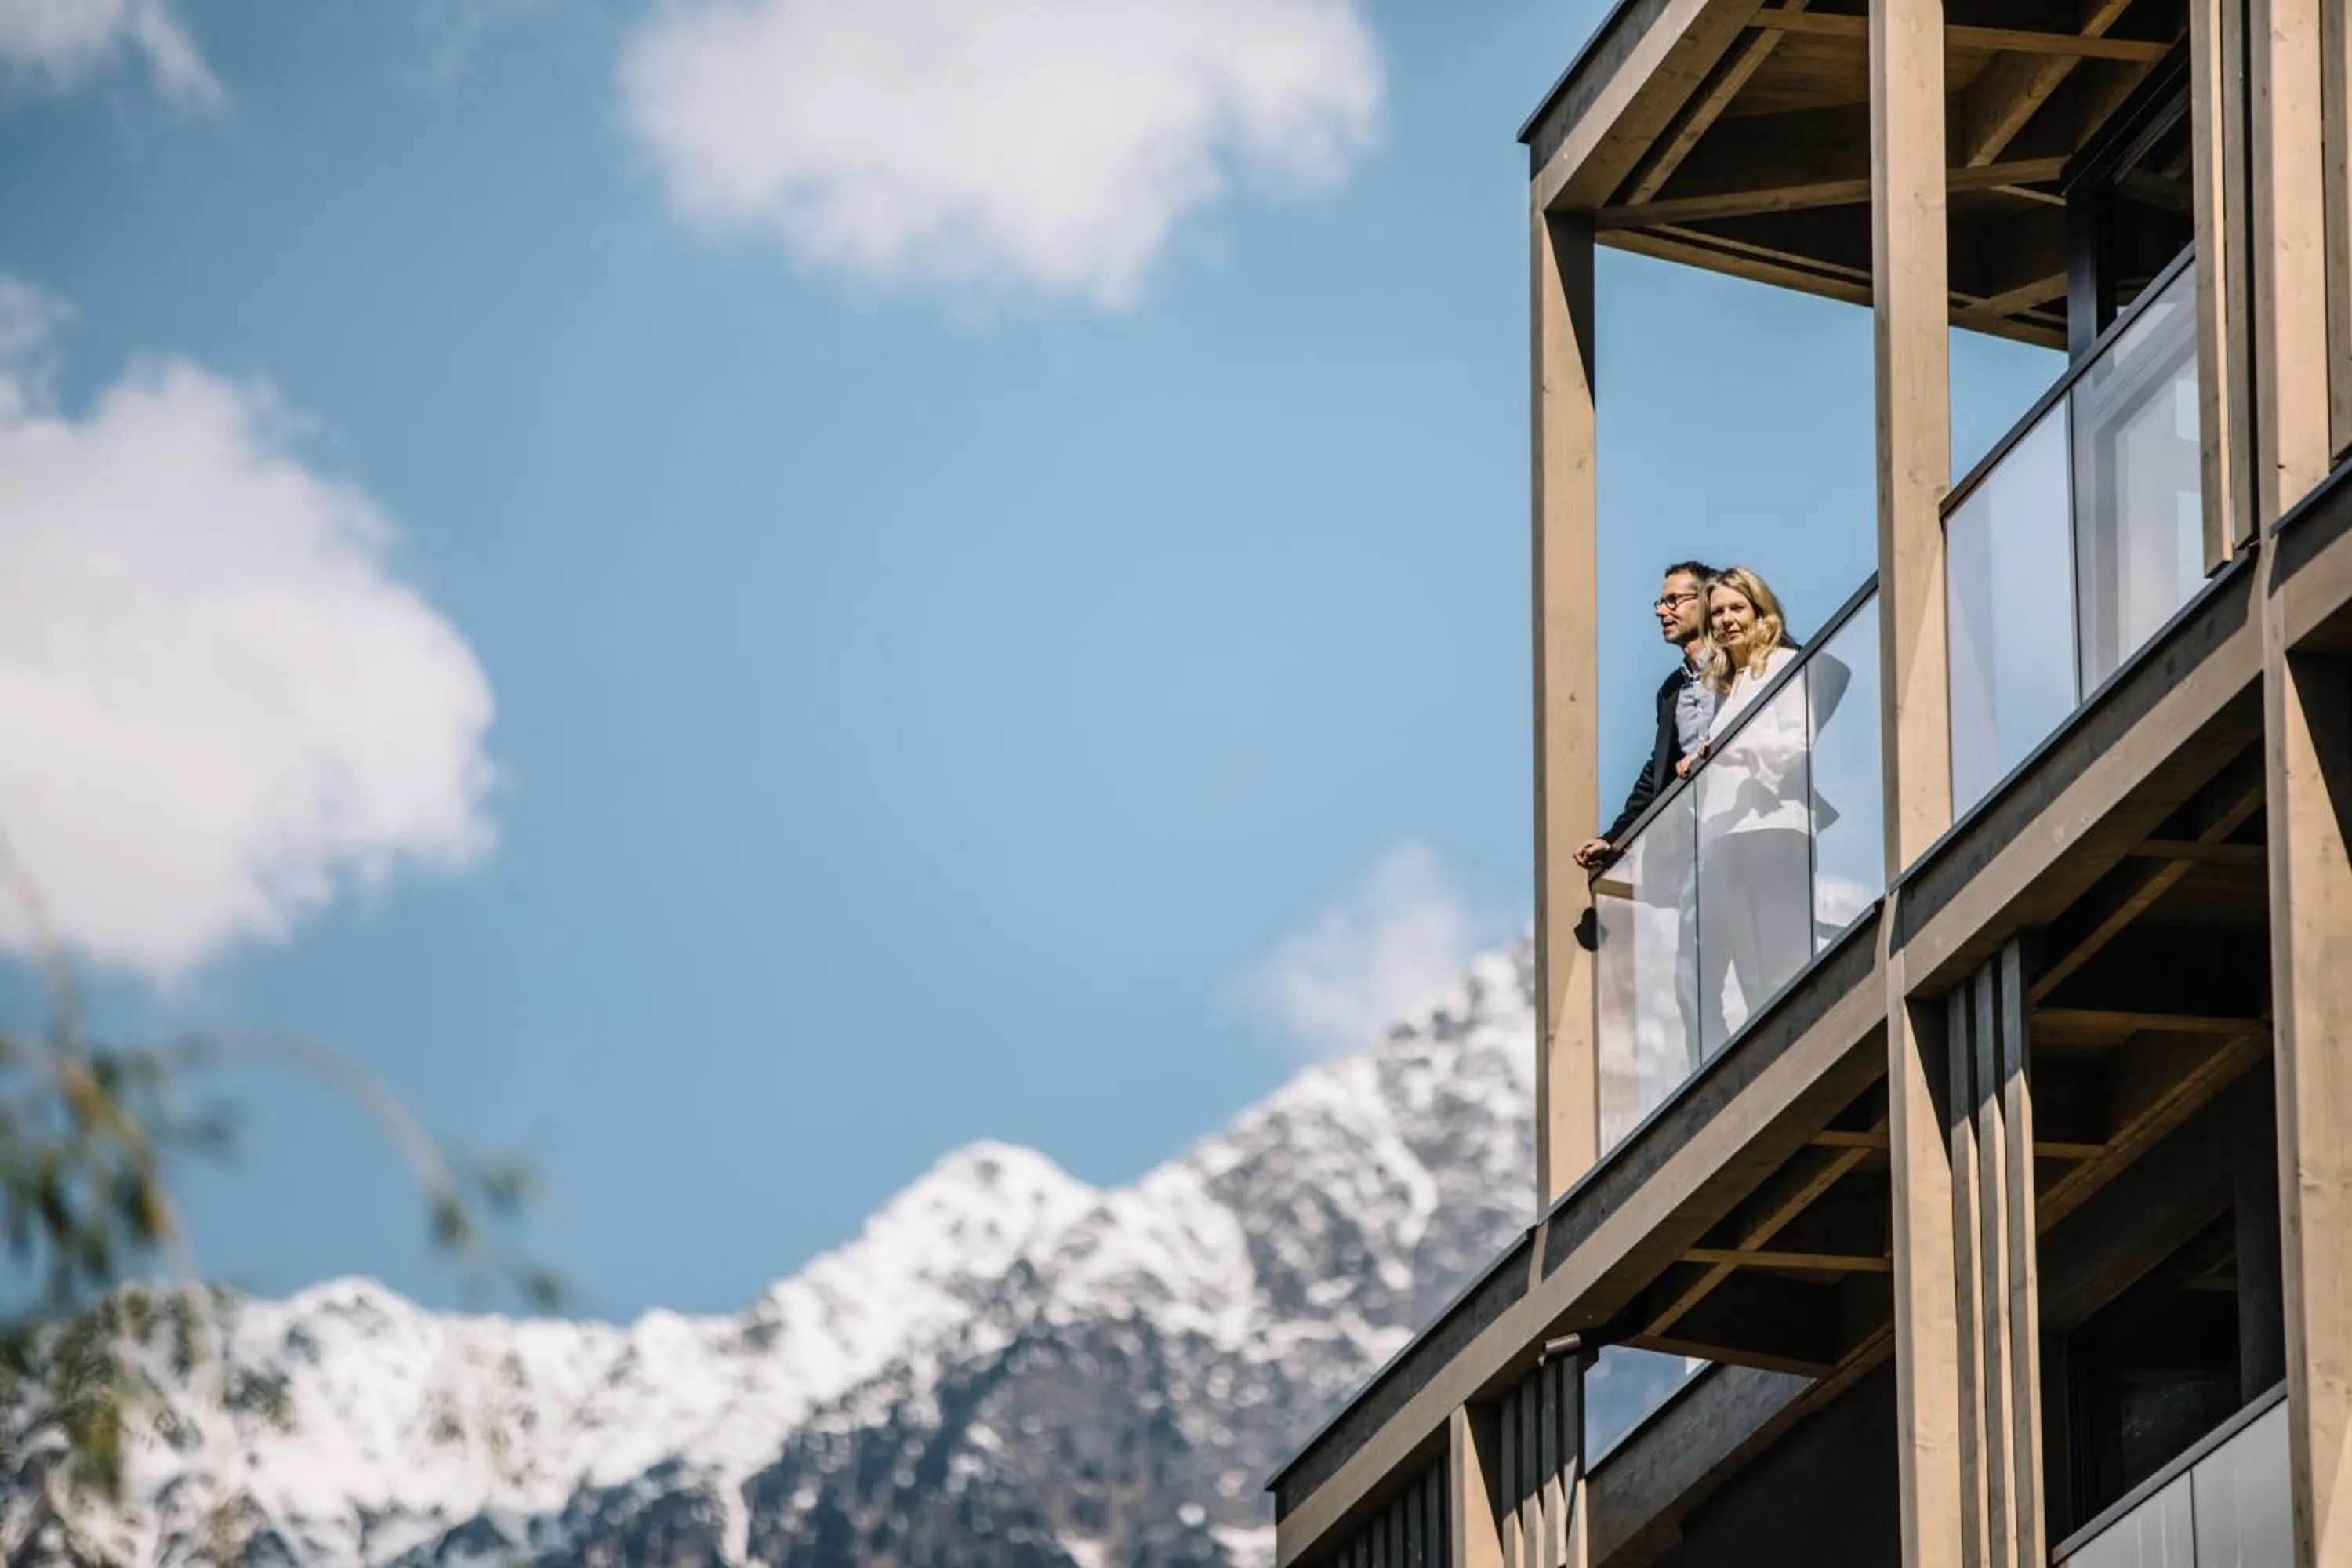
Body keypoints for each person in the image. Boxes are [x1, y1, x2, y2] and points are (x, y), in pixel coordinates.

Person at [1682, 567, 1813, 1047]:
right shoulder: (1726, 685)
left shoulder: (1782, 665)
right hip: (1727, 839)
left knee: (1780, 962)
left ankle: (1798, 1050)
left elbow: (1798, 743)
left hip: (1772, 831)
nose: (1725, 620)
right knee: (1751, 972)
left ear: (1762, 613)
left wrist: (1733, 750)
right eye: (1716, 612)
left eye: (1737, 608)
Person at [1573, 561, 1720, 871]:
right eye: (1660, 603)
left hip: (1753, 817)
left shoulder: (1741, 662)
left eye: (1672, 601)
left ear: (1706, 601)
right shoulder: (1671, 691)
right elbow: (1657, 774)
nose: (1661, 612)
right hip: (1702, 842)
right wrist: (1614, 839)